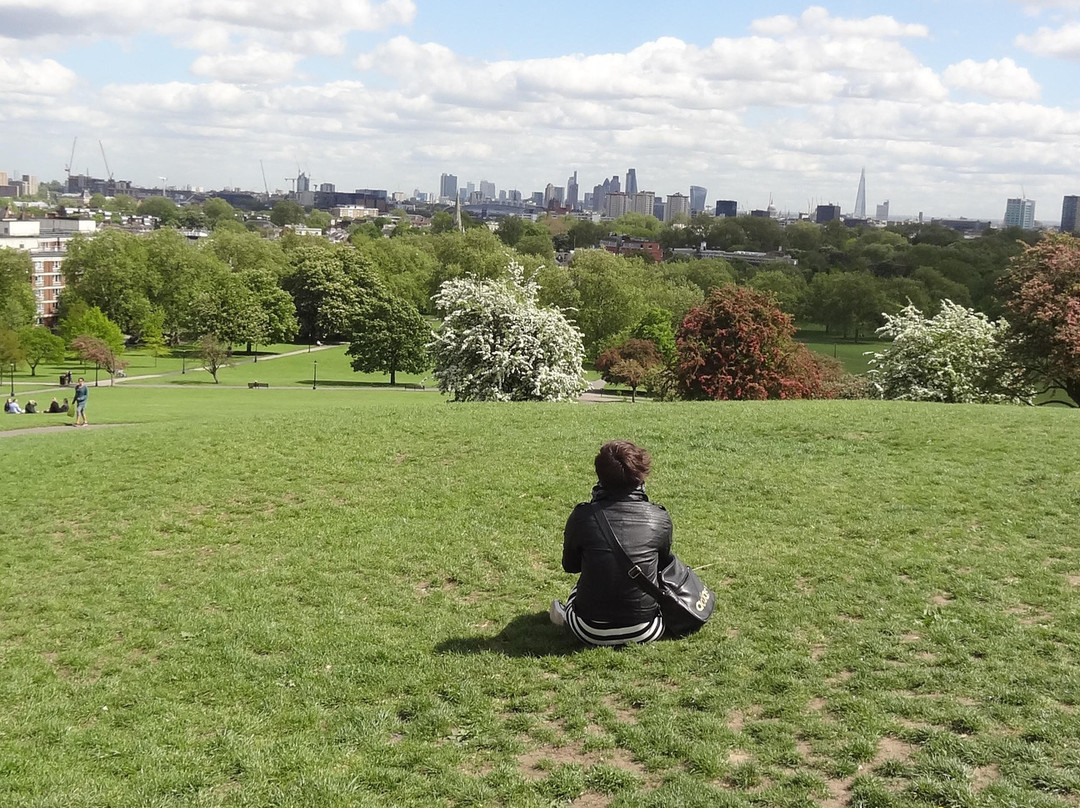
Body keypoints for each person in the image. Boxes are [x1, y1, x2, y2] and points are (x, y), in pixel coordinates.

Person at [553, 440, 674, 646]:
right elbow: (663, 566)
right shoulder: (658, 517)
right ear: (641, 477)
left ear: (600, 476)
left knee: (579, 586)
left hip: (588, 629)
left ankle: (563, 616)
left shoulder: (582, 515)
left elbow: (570, 566)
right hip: (647, 629)